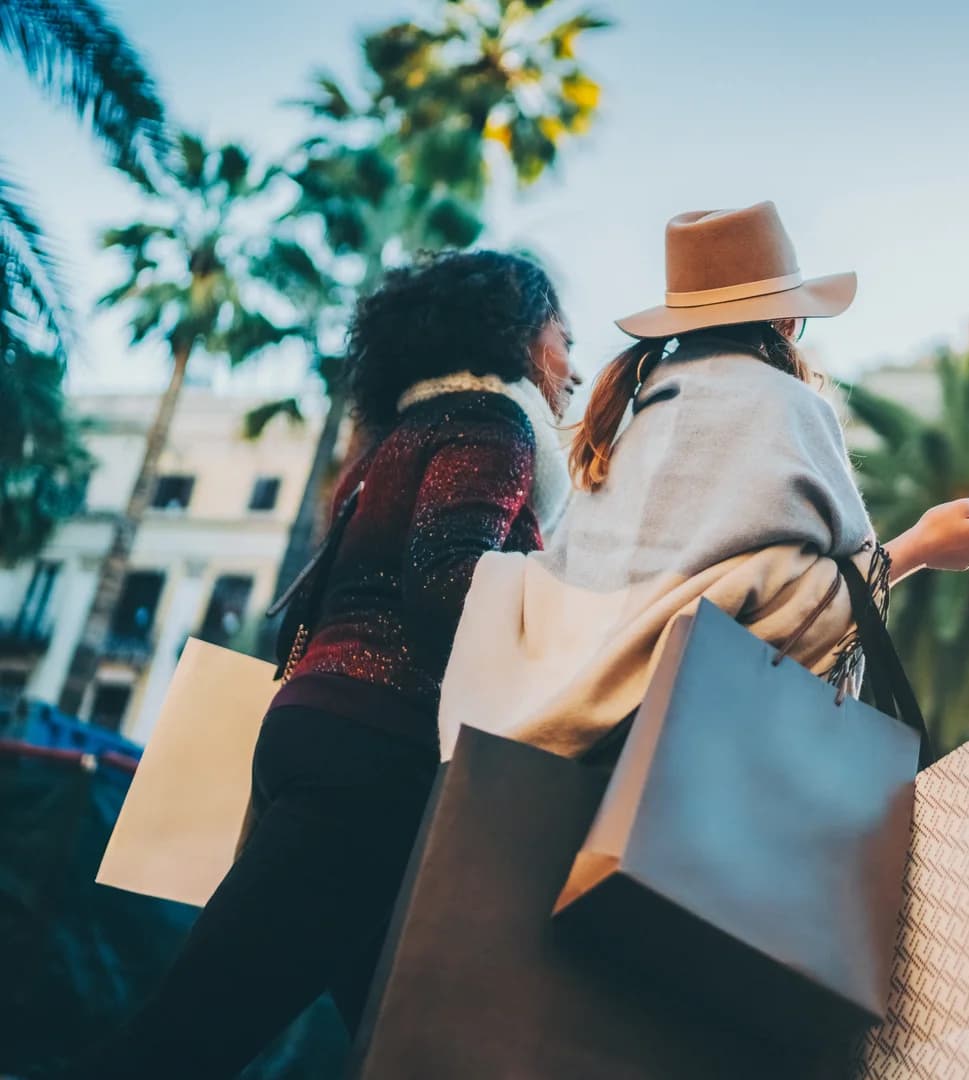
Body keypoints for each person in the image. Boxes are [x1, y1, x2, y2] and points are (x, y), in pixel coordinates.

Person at [53, 250, 580, 1079]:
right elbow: (448, 582)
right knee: (185, 1039)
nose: (572, 368)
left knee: (409, 1043)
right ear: (516, 335)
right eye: (562, 338)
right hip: (377, 760)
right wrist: (569, 607)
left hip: (321, 731)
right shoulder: (492, 424)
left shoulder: (390, 442)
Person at [439, 201, 969, 763]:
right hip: (693, 771)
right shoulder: (786, 405)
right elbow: (803, 614)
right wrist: (920, 548)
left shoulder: (635, 417)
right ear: (786, 321)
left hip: (567, 765)